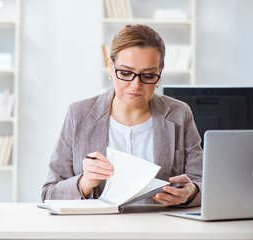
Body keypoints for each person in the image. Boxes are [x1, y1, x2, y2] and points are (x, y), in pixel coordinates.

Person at [41, 24, 202, 207]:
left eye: (148, 76)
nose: (135, 86)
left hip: (159, 230)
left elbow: (203, 184)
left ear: (160, 72)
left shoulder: (180, 114)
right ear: (111, 67)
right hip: (98, 230)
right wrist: (84, 183)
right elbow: (49, 193)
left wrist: (191, 192)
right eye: (125, 73)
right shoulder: (79, 115)